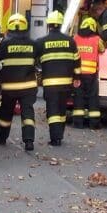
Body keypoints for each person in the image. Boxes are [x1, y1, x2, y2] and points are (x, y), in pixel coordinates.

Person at [0, 12, 37, 151]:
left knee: (6, 113)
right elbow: (37, 59)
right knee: (28, 113)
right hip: (29, 86)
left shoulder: (4, 43)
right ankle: (29, 141)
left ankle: (1, 137)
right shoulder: (33, 43)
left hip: (9, 87)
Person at [36, 10, 79, 146]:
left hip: (50, 83)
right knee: (61, 110)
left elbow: (35, 62)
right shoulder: (70, 41)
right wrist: (77, 77)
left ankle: (55, 138)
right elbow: (77, 61)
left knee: (53, 110)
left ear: (48, 25)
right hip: (66, 83)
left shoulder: (41, 42)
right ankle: (59, 134)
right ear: (60, 25)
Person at [73, 16, 105, 129]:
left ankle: (77, 123)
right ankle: (94, 124)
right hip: (91, 74)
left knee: (78, 97)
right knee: (93, 98)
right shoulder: (97, 39)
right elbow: (102, 50)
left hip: (78, 74)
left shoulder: (75, 38)